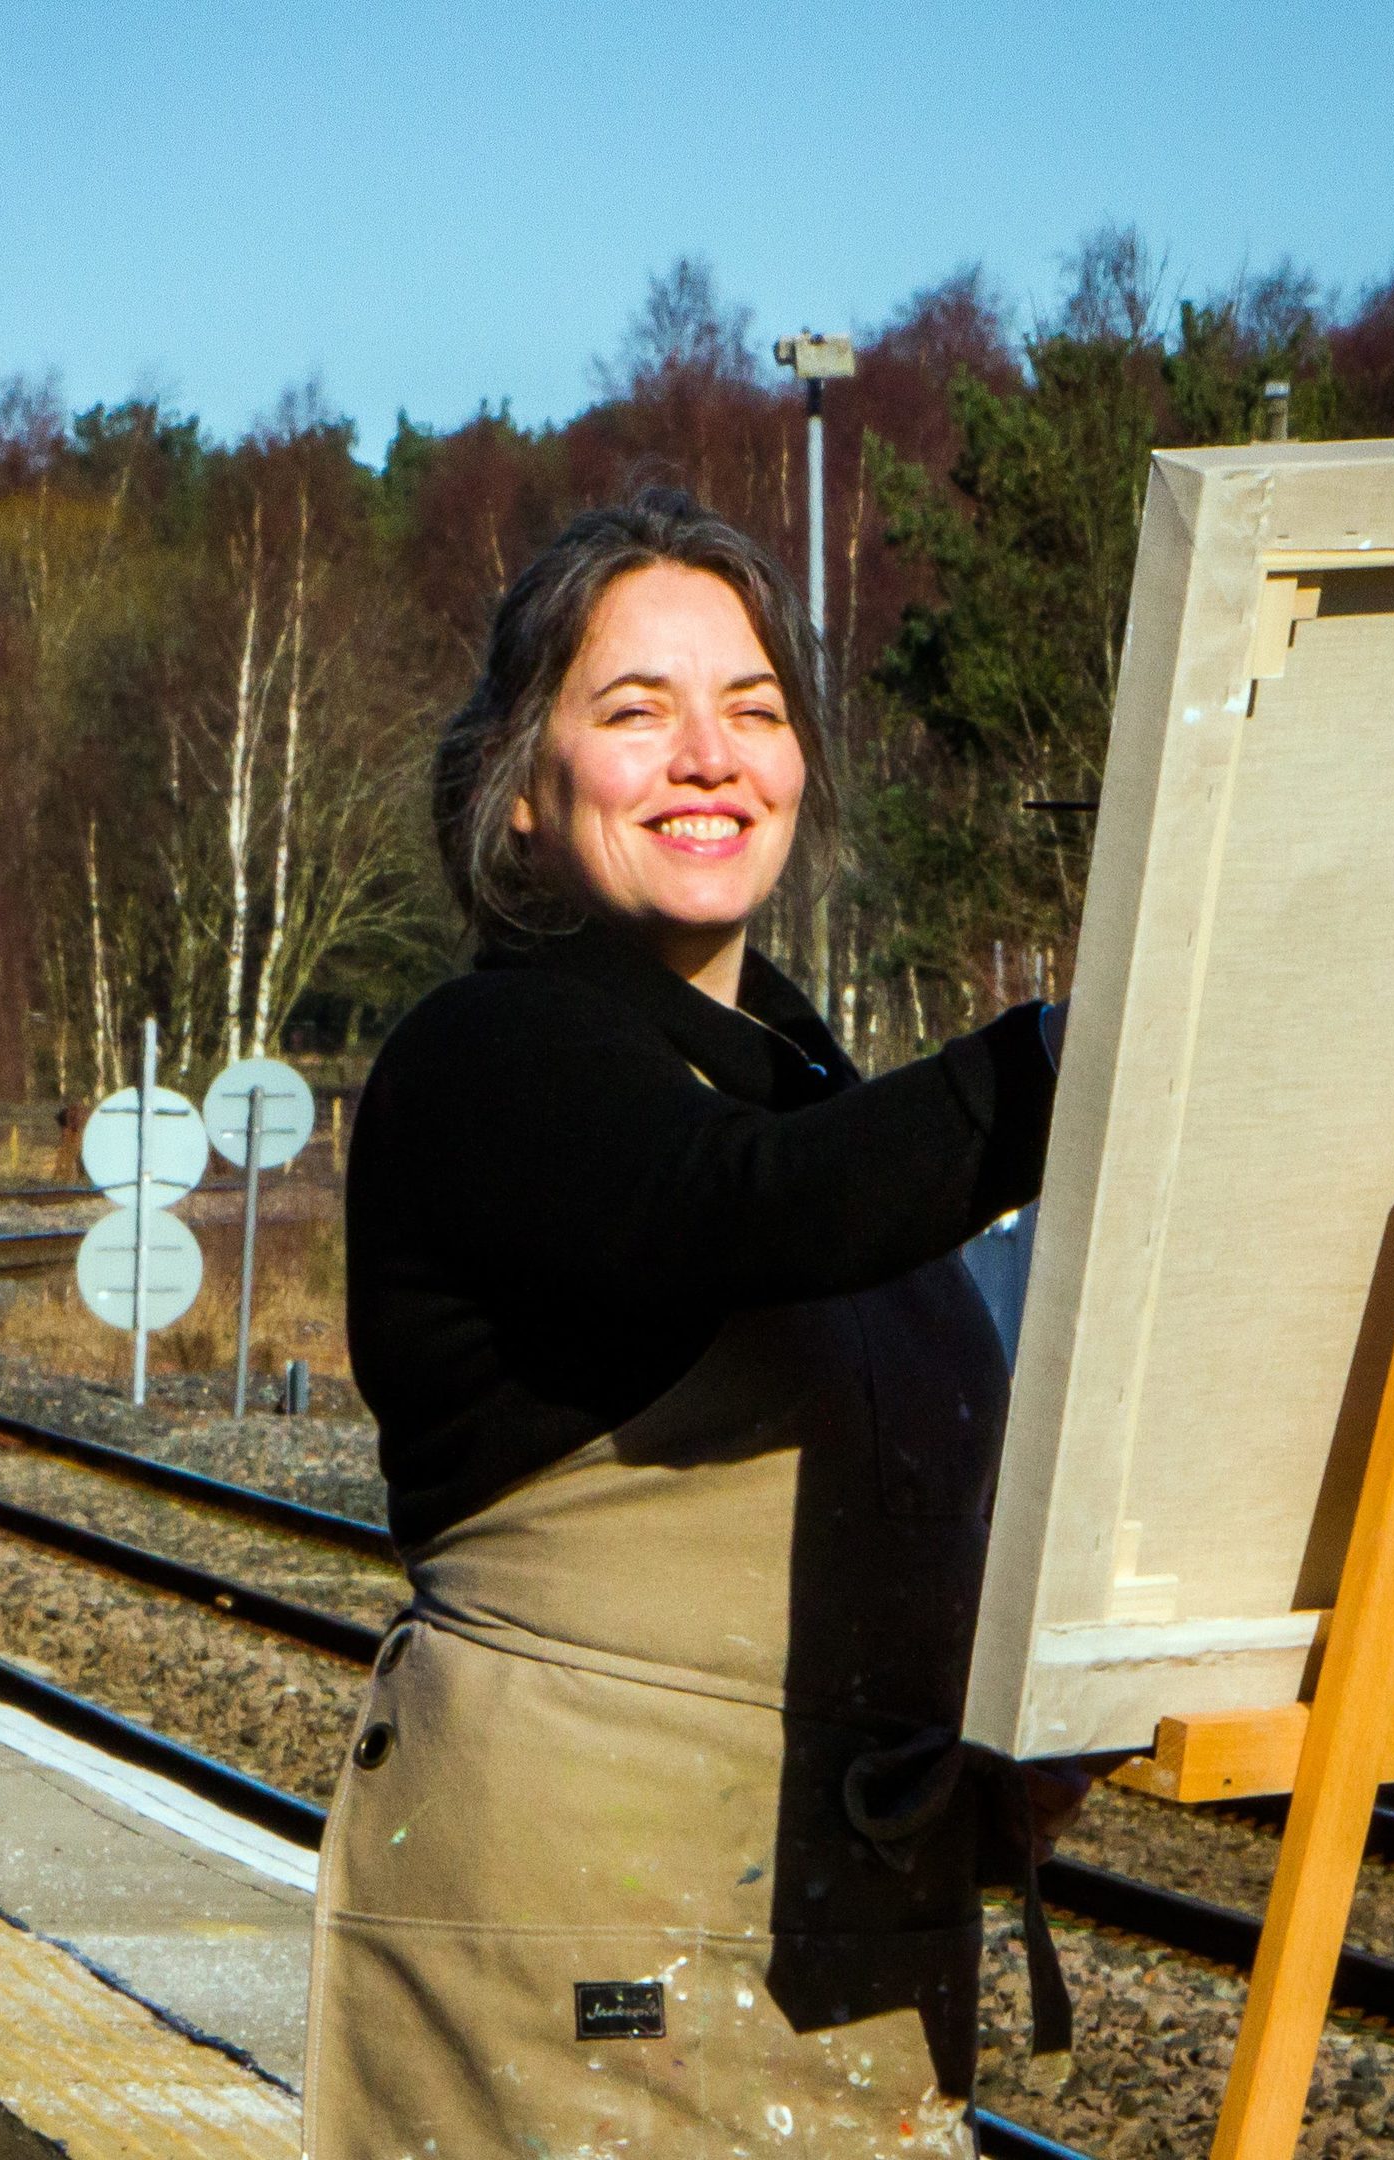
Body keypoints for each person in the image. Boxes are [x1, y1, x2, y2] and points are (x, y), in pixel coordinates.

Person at [311, 491, 1066, 2155]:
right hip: (592, 1955)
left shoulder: (797, 1077)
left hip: (823, 1930)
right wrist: (1072, 1051)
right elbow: (751, 1207)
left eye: (755, 709)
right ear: (519, 790)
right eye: (635, 712)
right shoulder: (490, 1059)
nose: (709, 756)